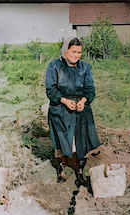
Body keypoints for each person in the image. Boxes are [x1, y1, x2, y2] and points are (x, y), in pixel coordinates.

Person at [46, 37, 100, 184]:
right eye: (73, 52)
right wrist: (64, 100)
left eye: (79, 52)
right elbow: (50, 90)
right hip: (60, 109)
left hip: (80, 110)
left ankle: (80, 170)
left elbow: (90, 90)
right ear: (65, 50)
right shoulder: (54, 67)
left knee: (81, 139)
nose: (76, 55)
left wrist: (83, 101)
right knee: (62, 139)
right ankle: (61, 168)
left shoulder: (85, 68)